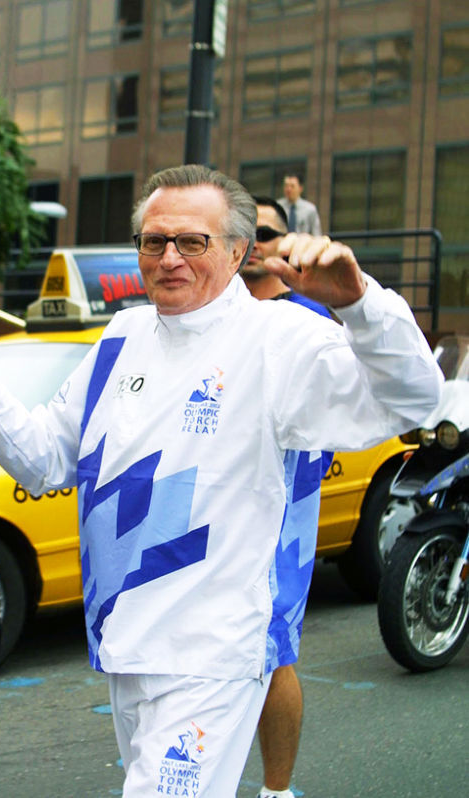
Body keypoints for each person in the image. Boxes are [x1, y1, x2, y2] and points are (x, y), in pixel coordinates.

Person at [0, 165, 442, 797]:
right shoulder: (120, 338)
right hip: (126, 641)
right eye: (154, 241)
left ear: (237, 251)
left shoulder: (280, 340)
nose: (169, 257)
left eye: (191, 241)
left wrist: (360, 304)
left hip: (213, 651)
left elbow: (413, 400)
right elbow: (43, 461)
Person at [242, 195, 331, 798]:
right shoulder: (216, 311)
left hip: (283, 506)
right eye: (243, 230)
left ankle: (277, 790)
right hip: (218, 506)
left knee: (272, 650)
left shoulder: (307, 317)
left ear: (287, 243)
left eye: (267, 232)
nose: (254, 242)